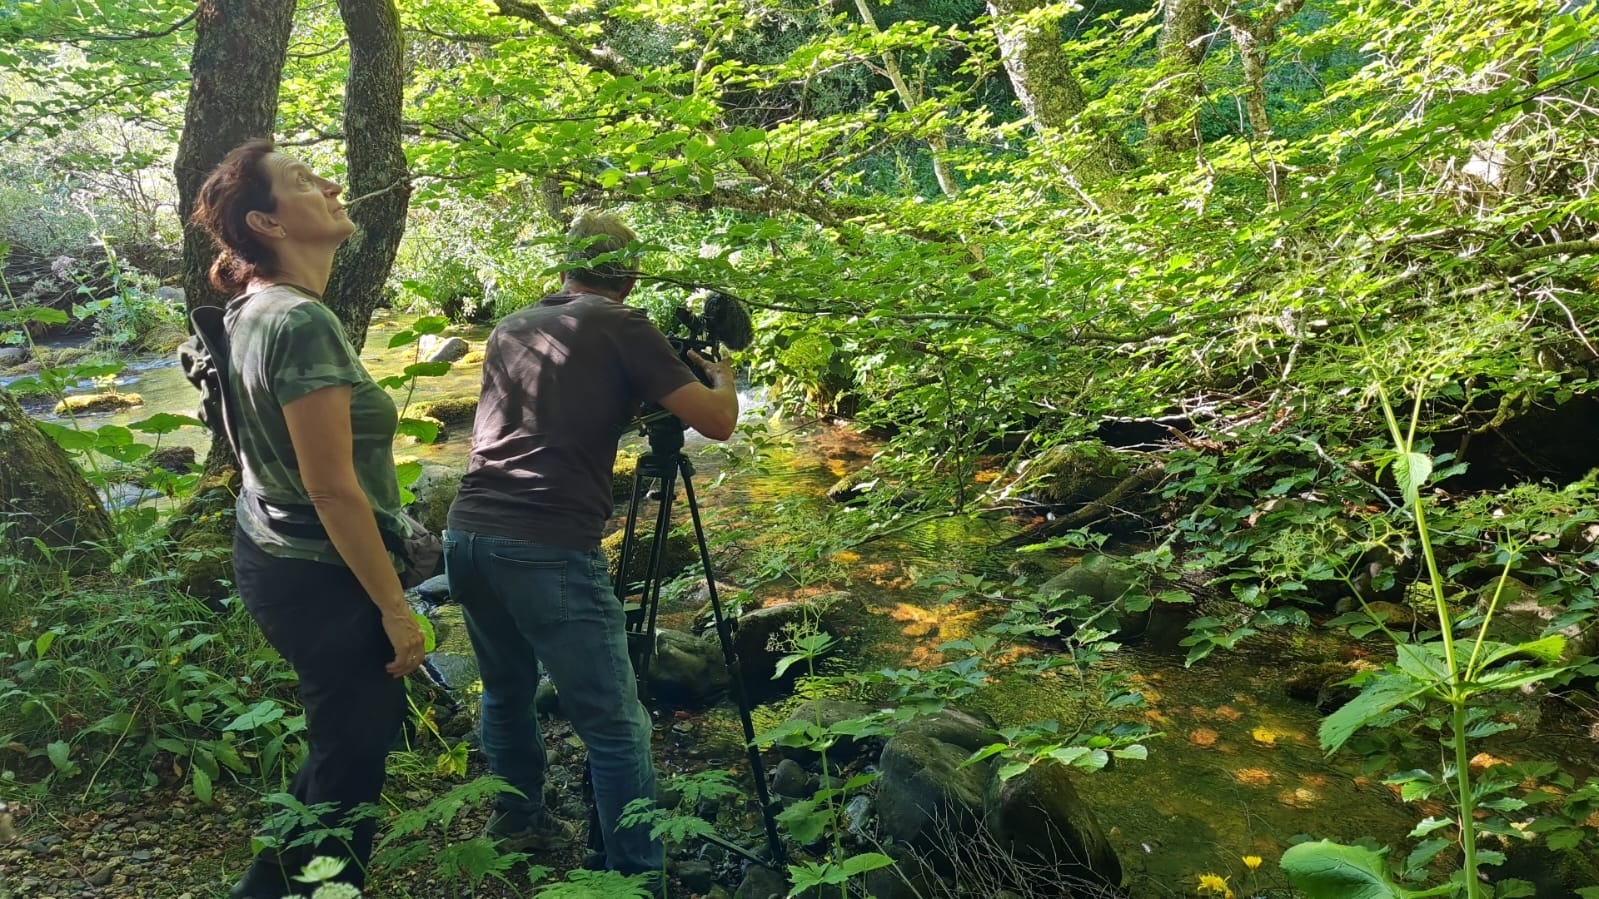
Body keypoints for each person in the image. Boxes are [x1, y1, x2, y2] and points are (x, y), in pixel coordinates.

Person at [445, 211, 739, 884]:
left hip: (467, 533)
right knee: (614, 725)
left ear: (564, 268)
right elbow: (717, 423)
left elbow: (556, 411)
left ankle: (517, 818)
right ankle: (635, 875)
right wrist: (720, 376)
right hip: (546, 543)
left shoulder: (512, 326)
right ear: (631, 274)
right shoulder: (624, 326)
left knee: (506, 690)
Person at [189, 139, 426, 899]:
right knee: (350, 763)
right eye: (302, 182)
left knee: (341, 747)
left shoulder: (252, 310)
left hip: (274, 551)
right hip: (321, 572)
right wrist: (396, 609)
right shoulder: (300, 322)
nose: (329, 185)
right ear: (268, 223)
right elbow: (331, 490)